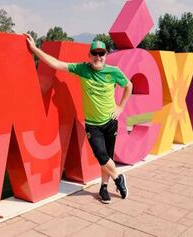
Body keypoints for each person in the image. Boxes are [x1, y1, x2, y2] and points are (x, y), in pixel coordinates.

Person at [25, 34, 133, 204]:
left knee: (108, 156)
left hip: (110, 122)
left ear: (106, 55)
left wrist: (121, 107)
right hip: (92, 124)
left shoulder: (114, 72)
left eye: (101, 54)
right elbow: (57, 64)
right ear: (89, 55)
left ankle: (104, 187)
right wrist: (35, 49)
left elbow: (129, 86)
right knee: (101, 155)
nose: (98, 57)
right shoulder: (82, 69)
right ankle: (119, 179)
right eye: (95, 54)